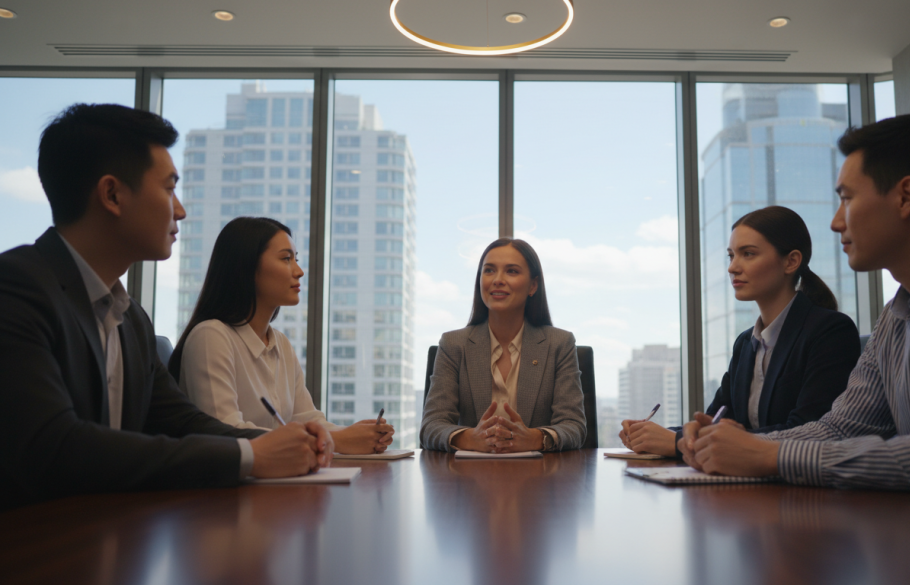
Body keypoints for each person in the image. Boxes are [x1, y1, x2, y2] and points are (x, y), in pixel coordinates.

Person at [680, 114, 910, 512]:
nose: (835, 221)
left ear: (906, 196)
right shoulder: (894, 318)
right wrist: (733, 445)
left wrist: (766, 455)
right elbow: (841, 428)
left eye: (847, 198)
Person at [0, 104, 332, 510]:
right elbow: (54, 446)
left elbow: (182, 422)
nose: (180, 210)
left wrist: (280, 443)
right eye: (169, 187)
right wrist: (252, 456)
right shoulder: (17, 287)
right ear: (112, 194)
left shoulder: (131, 320)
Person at [619, 206, 860, 456]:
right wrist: (652, 434)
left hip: (802, 488)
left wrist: (678, 442)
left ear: (791, 261)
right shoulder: (746, 343)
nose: (732, 267)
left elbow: (807, 431)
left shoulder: (830, 332)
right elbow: (714, 423)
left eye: (748, 254)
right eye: (731, 255)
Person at [169, 216, 394, 454]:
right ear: (246, 266)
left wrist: (354, 435)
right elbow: (225, 432)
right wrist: (333, 440)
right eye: (286, 259)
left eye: (295, 259)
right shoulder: (210, 336)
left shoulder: (281, 343)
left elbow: (308, 418)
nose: (299, 271)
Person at [419, 238, 587, 452]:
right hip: (469, 478)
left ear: (533, 285)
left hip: (540, 478)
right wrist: (469, 439)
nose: (497, 280)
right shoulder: (454, 345)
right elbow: (431, 426)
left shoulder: (559, 344)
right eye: (489, 271)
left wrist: (536, 439)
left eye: (512, 271)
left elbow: (574, 426)